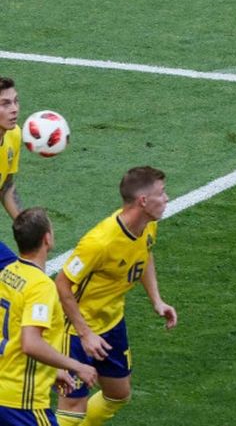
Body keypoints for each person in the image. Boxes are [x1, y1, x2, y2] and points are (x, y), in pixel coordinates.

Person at [54, 167, 178, 426]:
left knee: (118, 394)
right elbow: (62, 284)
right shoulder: (99, 242)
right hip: (76, 330)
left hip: (112, 324)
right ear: (143, 201)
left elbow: (144, 255)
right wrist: (85, 333)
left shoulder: (148, 226)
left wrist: (156, 300)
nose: (166, 198)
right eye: (161, 193)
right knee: (73, 405)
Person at [0, 208, 97, 426]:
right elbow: (31, 343)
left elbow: (12, 332)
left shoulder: (8, 273)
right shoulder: (40, 287)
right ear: (47, 238)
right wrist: (76, 365)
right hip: (21, 401)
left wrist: (53, 370)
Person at [0, 77, 25, 219]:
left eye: (16, 101)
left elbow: (5, 186)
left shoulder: (14, 134)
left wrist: (25, 223)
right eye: (5, 104)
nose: (14, 109)